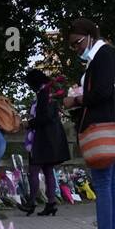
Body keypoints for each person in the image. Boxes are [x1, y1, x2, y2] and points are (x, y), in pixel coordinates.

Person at [61, 18, 115, 229]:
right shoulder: (109, 55)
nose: (76, 49)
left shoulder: (102, 56)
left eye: (77, 43)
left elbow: (101, 92)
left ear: (89, 36)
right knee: (112, 184)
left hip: (105, 128)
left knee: (103, 184)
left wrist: (77, 100)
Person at [24, 68, 70, 216]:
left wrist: (29, 123)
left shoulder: (44, 94)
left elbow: (45, 117)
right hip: (52, 138)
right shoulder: (49, 92)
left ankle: (31, 202)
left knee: (34, 170)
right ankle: (51, 203)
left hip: (43, 138)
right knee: (48, 170)